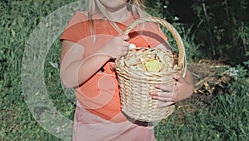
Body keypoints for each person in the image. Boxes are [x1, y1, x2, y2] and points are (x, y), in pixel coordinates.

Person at [59, 0, 194, 140]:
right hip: (94, 131)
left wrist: (186, 90)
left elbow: (179, 67)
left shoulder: (146, 26)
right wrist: (105, 52)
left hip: (138, 131)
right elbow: (68, 77)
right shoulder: (83, 23)